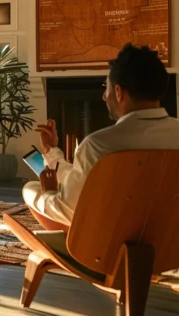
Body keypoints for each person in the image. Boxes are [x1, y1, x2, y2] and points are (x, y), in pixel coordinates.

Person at [26, 44, 179, 229]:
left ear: (118, 92)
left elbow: (68, 210)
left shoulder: (98, 145)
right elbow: (82, 180)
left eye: (106, 88)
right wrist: (52, 153)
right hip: (169, 246)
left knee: (30, 189)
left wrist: (48, 193)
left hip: (106, 252)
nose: (104, 97)